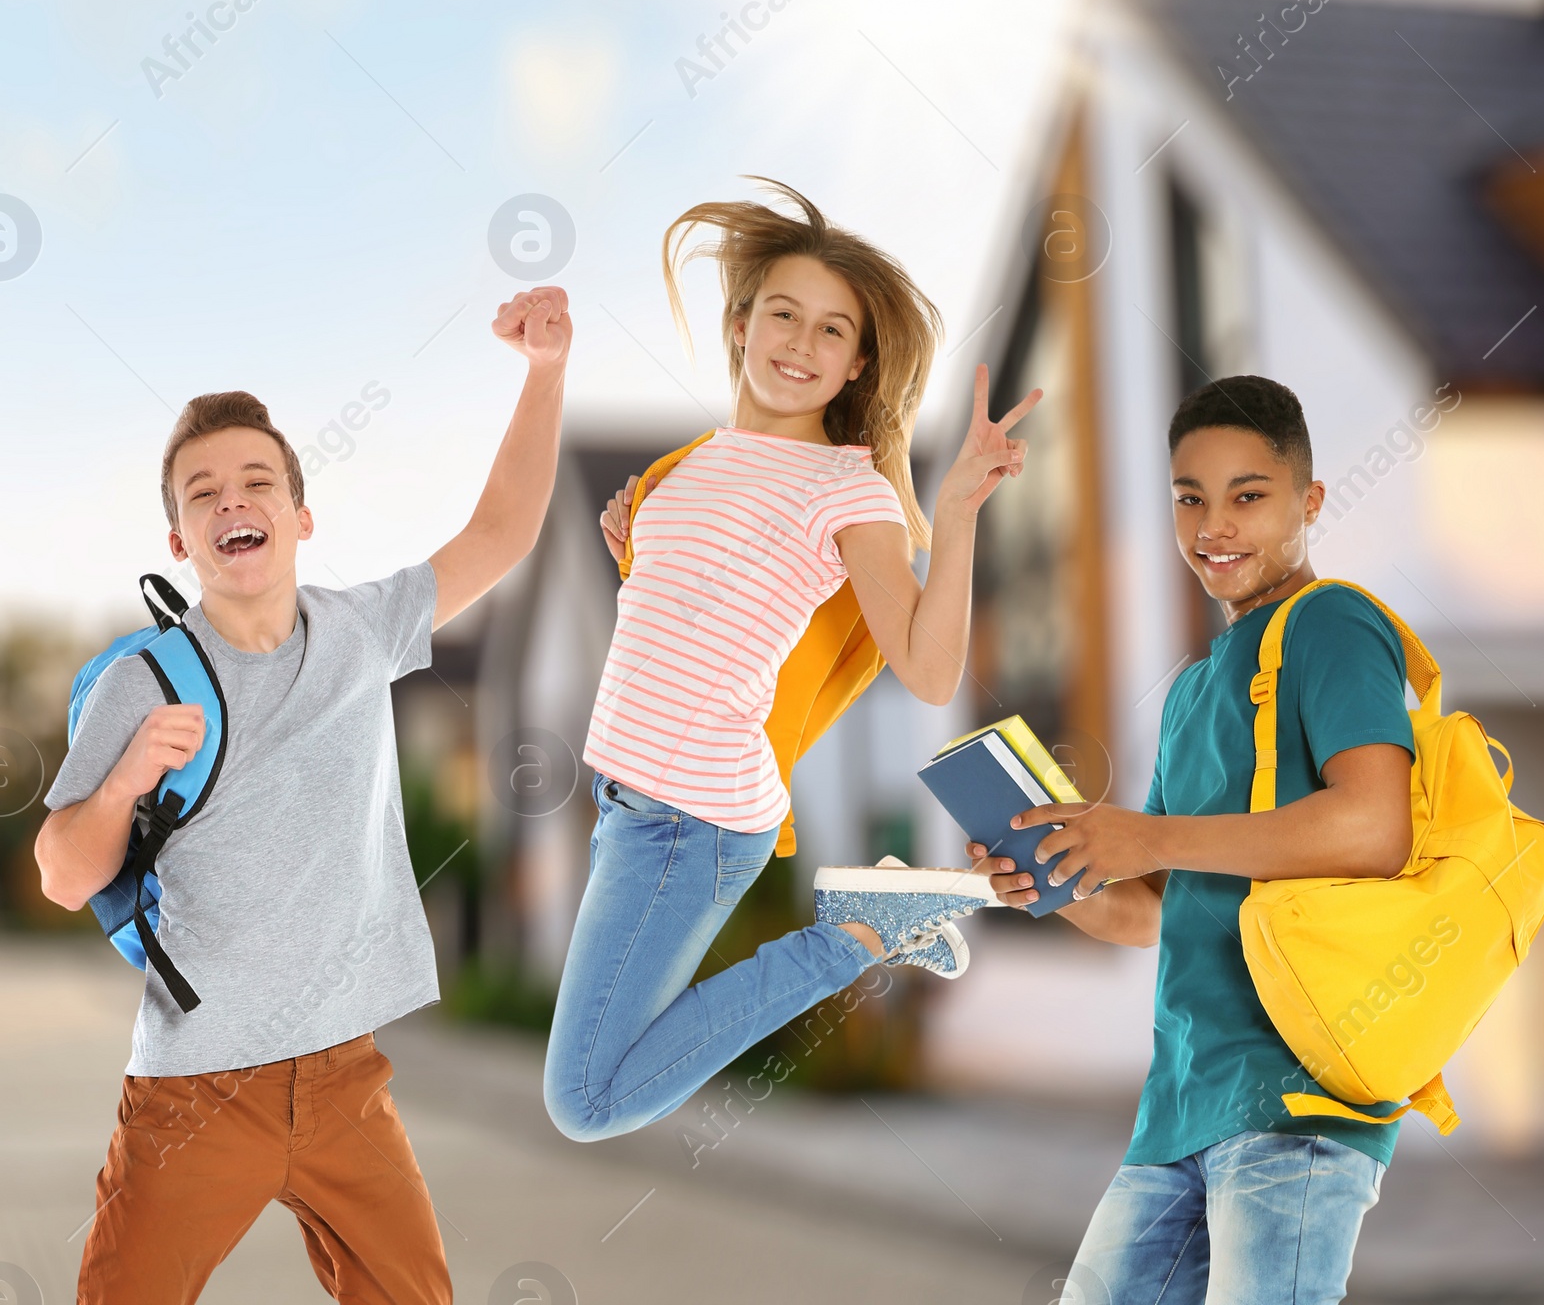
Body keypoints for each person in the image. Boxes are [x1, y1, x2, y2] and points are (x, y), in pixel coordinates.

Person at [35, 287, 572, 1305]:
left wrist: (544, 373)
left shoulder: (364, 632)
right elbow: (63, 875)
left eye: (256, 481)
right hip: (196, 1087)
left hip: (342, 1079)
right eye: (203, 493)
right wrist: (125, 779)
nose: (233, 500)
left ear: (299, 515)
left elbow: (500, 533)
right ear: (180, 540)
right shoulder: (141, 682)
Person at [543, 179, 1040, 1143]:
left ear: (858, 365)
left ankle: (858, 934)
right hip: (627, 806)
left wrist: (962, 510)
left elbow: (928, 671)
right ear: (740, 325)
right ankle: (860, 924)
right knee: (592, 1080)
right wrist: (632, 548)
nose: (799, 345)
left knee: (587, 1100)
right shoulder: (684, 465)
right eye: (783, 314)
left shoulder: (850, 493)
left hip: (693, 819)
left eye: (830, 332)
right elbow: (697, 613)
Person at [970, 375, 1416, 1305]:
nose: (1215, 523)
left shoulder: (1331, 623)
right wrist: (1057, 878)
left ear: (1310, 501)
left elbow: (1376, 827)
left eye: (1249, 496)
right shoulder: (1189, 693)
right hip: (1178, 1107)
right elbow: (1151, 916)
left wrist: (1147, 834)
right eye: (1190, 497)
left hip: (1298, 1099)